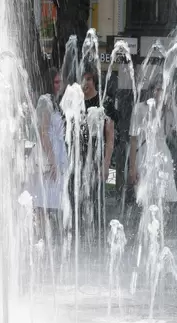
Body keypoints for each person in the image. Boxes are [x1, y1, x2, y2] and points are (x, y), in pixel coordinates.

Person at [67, 64, 116, 243]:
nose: (85, 82)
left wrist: (106, 164)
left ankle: (97, 236)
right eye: (83, 79)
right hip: (77, 159)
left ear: (94, 81)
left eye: (88, 79)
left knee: (96, 197)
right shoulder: (76, 103)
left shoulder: (104, 103)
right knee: (74, 195)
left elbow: (110, 138)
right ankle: (77, 234)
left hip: (96, 157)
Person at [129, 81, 177, 207]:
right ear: (152, 90)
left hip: (163, 155)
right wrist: (132, 167)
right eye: (158, 88)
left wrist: (174, 109)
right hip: (144, 154)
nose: (160, 92)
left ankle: (160, 224)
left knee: (163, 196)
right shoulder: (140, 108)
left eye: (164, 89)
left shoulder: (169, 110)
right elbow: (133, 139)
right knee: (145, 197)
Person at [29, 67, 68, 241]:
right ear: (49, 83)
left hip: (56, 155)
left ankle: (44, 241)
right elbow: (43, 133)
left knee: (48, 202)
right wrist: (52, 161)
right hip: (47, 157)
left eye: (61, 81)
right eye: (56, 82)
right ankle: (39, 240)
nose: (59, 85)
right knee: (41, 203)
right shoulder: (45, 101)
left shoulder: (57, 102)